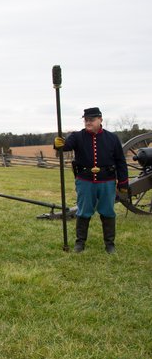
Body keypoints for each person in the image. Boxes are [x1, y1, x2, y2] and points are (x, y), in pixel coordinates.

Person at [54, 107, 128, 254]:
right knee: (84, 212)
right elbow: (65, 146)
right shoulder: (77, 137)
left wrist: (123, 183)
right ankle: (80, 243)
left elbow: (120, 162)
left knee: (107, 212)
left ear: (100, 120)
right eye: (86, 120)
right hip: (85, 181)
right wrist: (58, 144)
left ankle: (110, 244)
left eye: (91, 120)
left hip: (107, 182)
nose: (88, 122)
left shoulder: (112, 138)